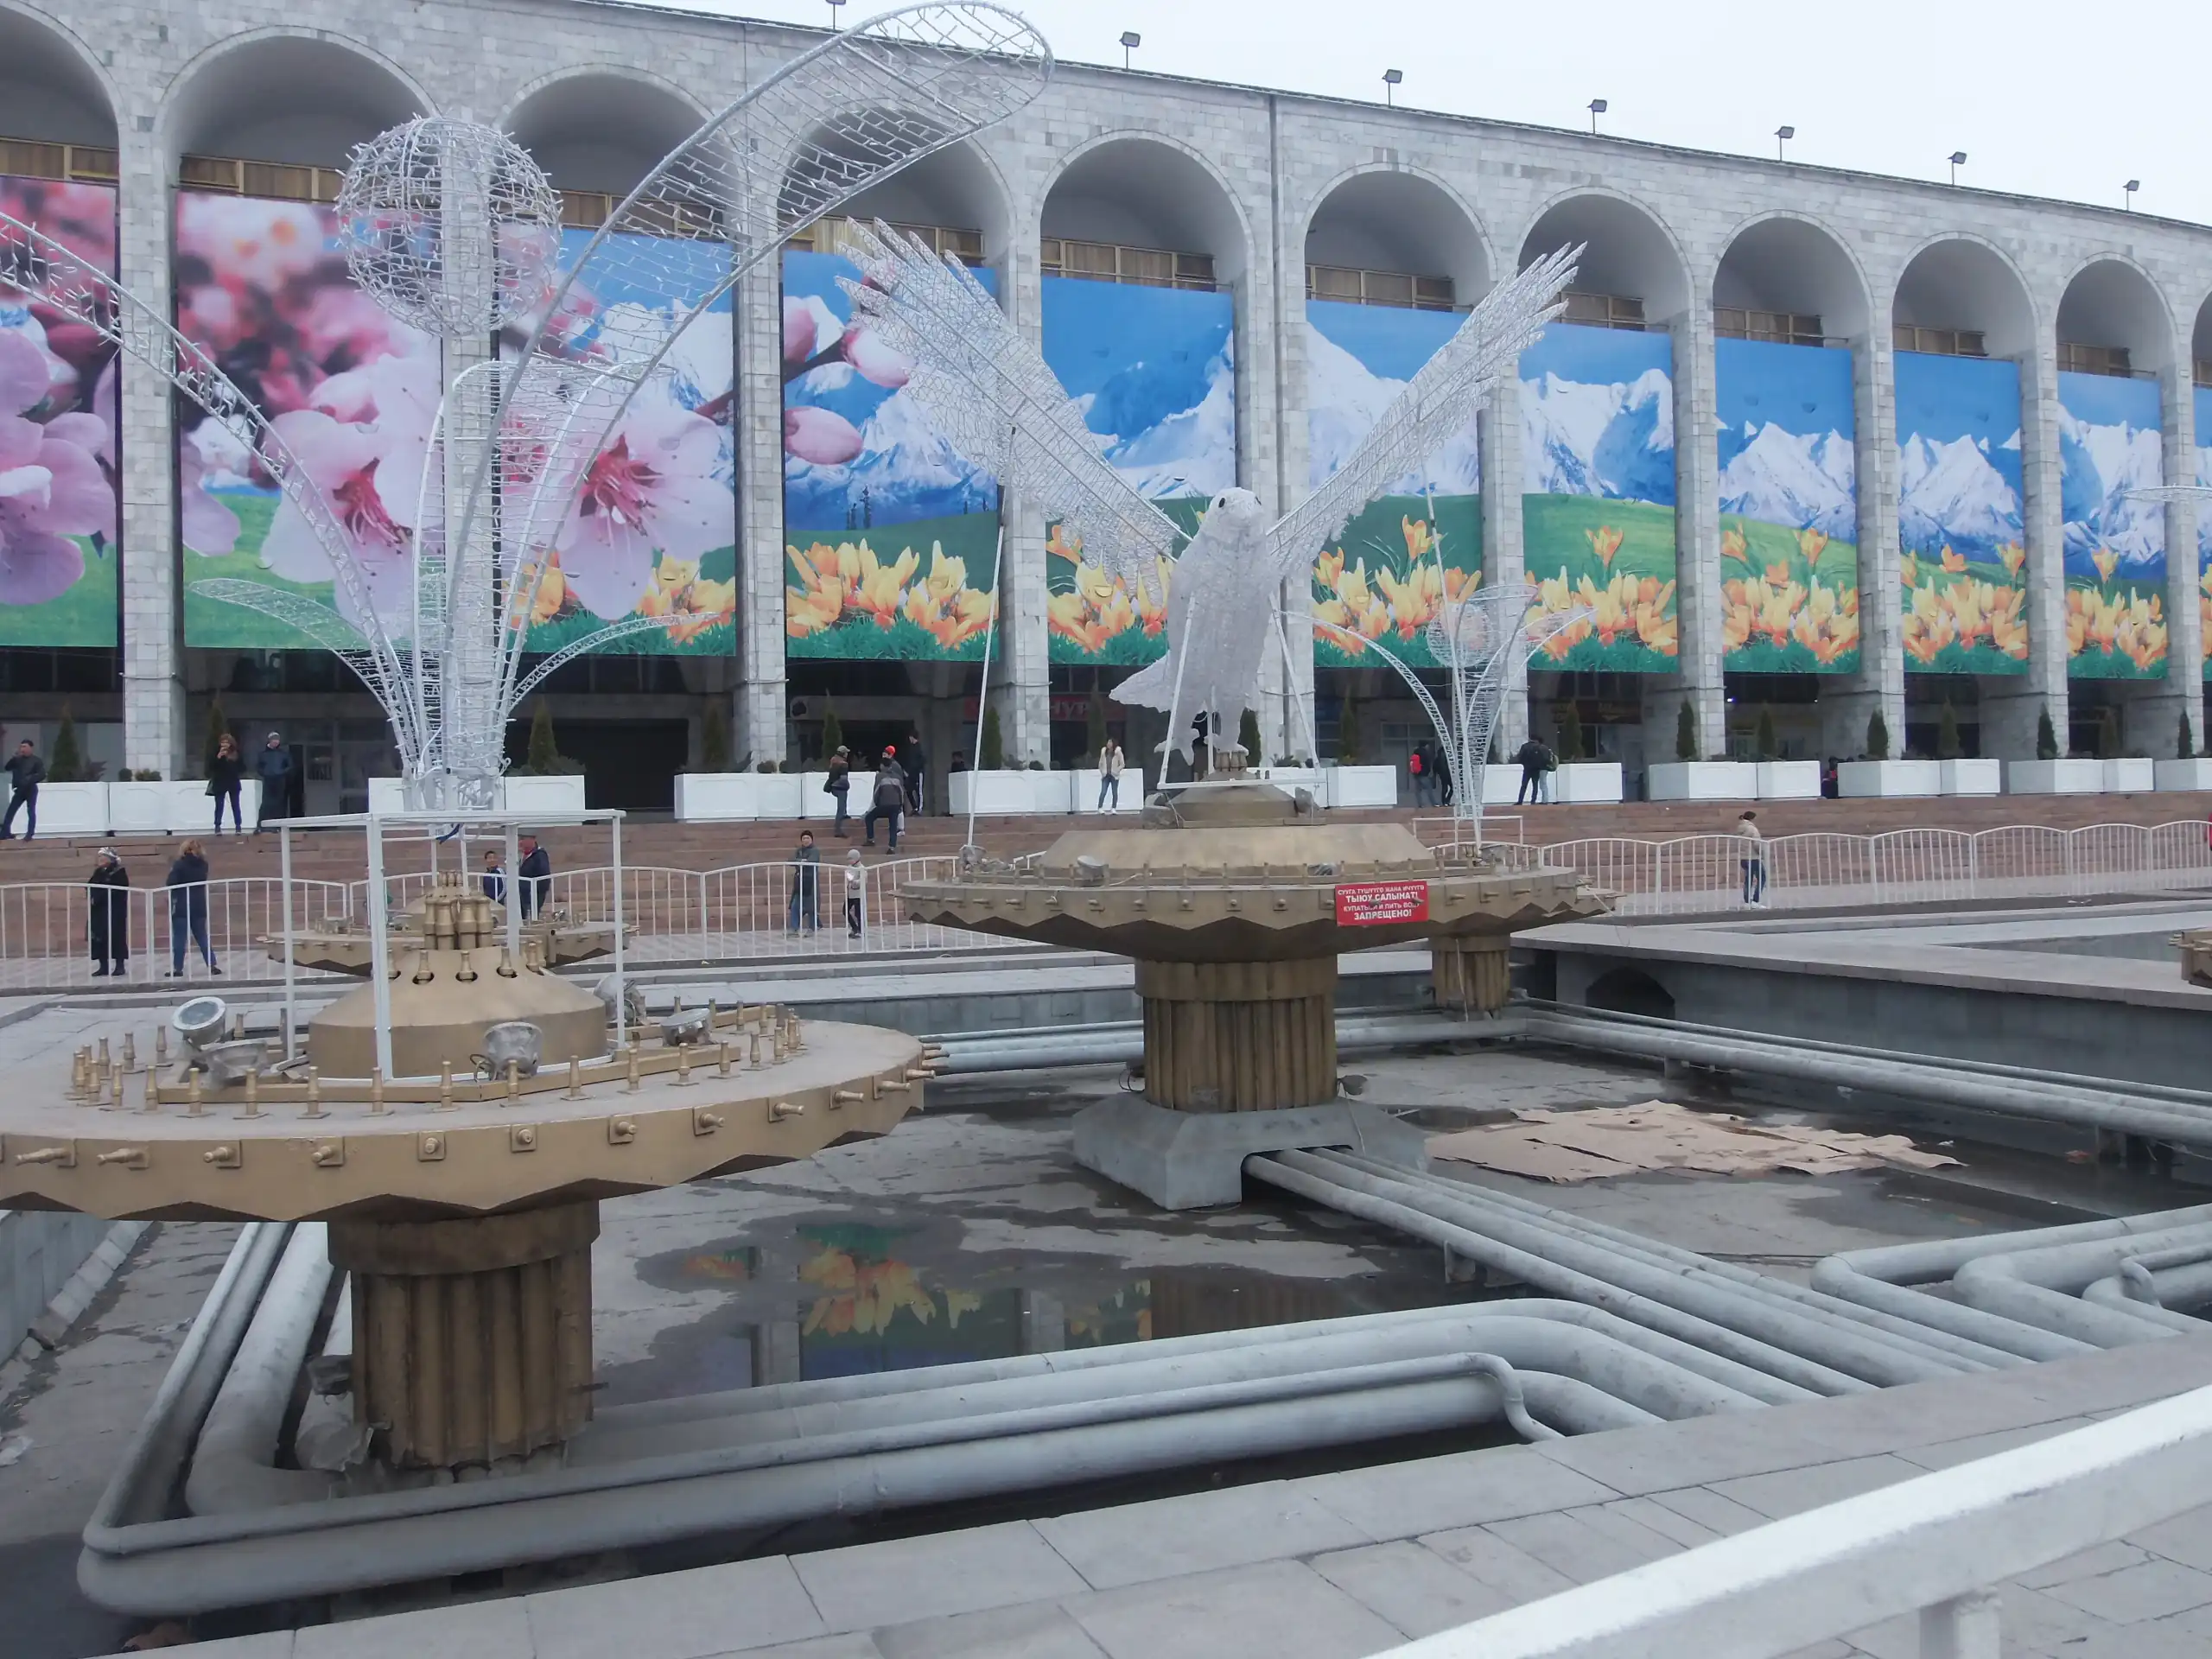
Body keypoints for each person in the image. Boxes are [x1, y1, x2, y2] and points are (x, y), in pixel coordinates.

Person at [166, 838, 216, 976]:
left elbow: (171, 882)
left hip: (181, 903)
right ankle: (212, 964)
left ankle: (178, 968)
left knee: (179, 938)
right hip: (199, 904)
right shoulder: (204, 865)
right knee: (202, 936)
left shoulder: (179, 864)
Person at [87, 848, 130, 978]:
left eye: (103, 857)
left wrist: (102, 896)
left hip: (114, 910)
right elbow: (90, 886)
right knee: (99, 937)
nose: (100, 860)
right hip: (99, 911)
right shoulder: (98, 872)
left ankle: (119, 966)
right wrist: (93, 897)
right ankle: (103, 966)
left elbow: (120, 890)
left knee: (116, 937)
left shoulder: (118, 872)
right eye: (99, 857)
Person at [2, 738, 43, 840]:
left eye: (25, 746)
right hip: (20, 789)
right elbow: (7, 768)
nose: (22, 749)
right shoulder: (18, 760)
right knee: (11, 811)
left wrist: (30, 779)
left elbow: (42, 774)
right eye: (21, 747)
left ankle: (30, 833)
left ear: (31, 748)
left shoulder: (36, 760)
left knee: (31, 811)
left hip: (30, 789)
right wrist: (13, 758)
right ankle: (5, 833)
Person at [865, 747, 906, 849]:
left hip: (884, 805)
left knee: (869, 818)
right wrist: (900, 805)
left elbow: (876, 793)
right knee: (893, 825)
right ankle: (892, 847)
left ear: (882, 766)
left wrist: (877, 804)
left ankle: (871, 839)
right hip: (896, 805)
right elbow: (901, 792)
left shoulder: (880, 776)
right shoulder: (897, 777)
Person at [254, 733, 294, 832]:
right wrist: (265, 773)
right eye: (274, 739)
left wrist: (281, 772)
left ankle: (277, 826)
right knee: (266, 803)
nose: (276, 742)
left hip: (280, 780)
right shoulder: (263, 754)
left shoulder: (283, 754)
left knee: (279, 803)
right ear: (270, 740)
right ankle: (260, 826)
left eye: (277, 740)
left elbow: (290, 766)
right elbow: (258, 767)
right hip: (268, 780)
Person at [208, 734, 244, 835]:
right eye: (222, 742)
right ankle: (217, 826)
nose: (224, 745)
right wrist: (218, 757)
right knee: (219, 806)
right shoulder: (216, 753)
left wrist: (233, 762)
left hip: (233, 782)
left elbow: (242, 767)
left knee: (235, 805)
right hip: (220, 782)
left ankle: (238, 826)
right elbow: (211, 767)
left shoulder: (236, 753)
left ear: (231, 743)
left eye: (226, 743)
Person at [786, 830, 821, 935]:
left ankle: (812, 928)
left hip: (811, 882)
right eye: (804, 838)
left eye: (808, 838)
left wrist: (800, 861)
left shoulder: (815, 851)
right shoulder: (799, 850)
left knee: (811, 907)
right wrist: (801, 861)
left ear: (812, 839)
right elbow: (791, 860)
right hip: (799, 882)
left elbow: (811, 861)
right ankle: (794, 928)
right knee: (795, 906)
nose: (805, 840)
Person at [517, 833, 552, 920]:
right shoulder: (522, 854)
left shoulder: (540, 855)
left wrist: (537, 890)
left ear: (532, 840)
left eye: (523, 839)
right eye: (520, 839)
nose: (520, 842)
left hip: (534, 891)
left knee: (532, 913)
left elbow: (544, 874)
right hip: (523, 891)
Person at [1738, 809, 1766, 906]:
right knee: (1762, 878)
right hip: (1753, 857)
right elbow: (1757, 844)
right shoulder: (1752, 829)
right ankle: (1755, 900)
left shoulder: (1740, 828)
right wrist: (1761, 853)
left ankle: (1747, 902)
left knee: (1748, 880)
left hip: (1744, 857)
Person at [824, 745, 853, 835]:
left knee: (842, 806)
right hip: (840, 787)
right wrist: (847, 786)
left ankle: (844, 813)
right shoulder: (844, 764)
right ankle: (838, 830)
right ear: (843, 754)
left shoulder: (833, 760)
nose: (847, 754)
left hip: (833, 787)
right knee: (841, 808)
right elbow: (844, 779)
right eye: (846, 753)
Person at [1514, 736, 1548, 805]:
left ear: (1530, 739)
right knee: (1535, 786)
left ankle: (1520, 801)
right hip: (1536, 769)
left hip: (1527, 768)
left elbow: (1520, 757)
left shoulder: (1525, 746)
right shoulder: (1540, 747)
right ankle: (1533, 801)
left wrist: (1524, 764)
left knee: (1524, 785)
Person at [1097, 735, 1125, 810]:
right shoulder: (1104, 752)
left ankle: (1113, 808)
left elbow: (1122, 764)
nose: (1108, 744)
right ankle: (1100, 807)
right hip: (1106, 775)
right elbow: (1100, 763)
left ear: (1113, 743)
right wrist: (1102, 771)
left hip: (1114, 776)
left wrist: (1117, 771)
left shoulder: (1118, 752)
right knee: (1103, 792)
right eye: (1108, 742)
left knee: (1114, 793)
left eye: (1110, 742)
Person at [904, 730, 929, 814]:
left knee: (919, 791)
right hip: (911, 773)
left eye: (910, 737)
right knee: (908, 789)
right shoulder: (911, 748)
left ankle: (919, 809)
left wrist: (917, 768)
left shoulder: (919, 748)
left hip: (918, 773)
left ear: (912, 737)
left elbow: (924, 760)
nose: (909, 739)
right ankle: (914, 807)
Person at [843, 847, 866, 938]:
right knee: (845, 911)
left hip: (858, 894)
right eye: (848, 859)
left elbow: (863, 880)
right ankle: (854, 927)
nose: (850, 861)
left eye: (851, 859)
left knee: (858, 913)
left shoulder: (861, 868)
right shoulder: (849, 867)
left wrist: (854, 882)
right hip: (850, 893)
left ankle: (860, 930)